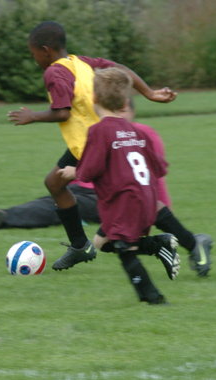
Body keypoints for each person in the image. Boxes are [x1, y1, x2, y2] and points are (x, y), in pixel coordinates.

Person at [0, 102, 214, 277]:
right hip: (93, 192)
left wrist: (158, 211)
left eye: (123, 109)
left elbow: (152, 179)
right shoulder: (104, 132)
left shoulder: (140, 134)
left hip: (114, 197)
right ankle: (167, 244)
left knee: (52, 209)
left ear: (130, 110)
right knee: (83, 228)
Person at [7, 21, 177, 271]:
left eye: (33, 54)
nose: (34, 59)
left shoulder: (54, 72)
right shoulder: (81, 62)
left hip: (94, 144)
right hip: (91, 141)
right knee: (54, 183)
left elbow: (62, 112)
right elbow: (121, 70)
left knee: (125, 200)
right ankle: (80, 246)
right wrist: (149, 92)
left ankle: (181, 241)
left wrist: (32, 116)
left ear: (45, 50)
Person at [59, 67, 178, 305]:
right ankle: (160, 247)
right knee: (106, 243)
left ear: (93, 98)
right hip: (148, 199)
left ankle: (153, 298)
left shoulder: (98, 131)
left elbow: (90, 170)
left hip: (124, 201)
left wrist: (74, 172)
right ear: (125, 103)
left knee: (124, 249)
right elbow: (159, 167)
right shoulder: (135, 130)